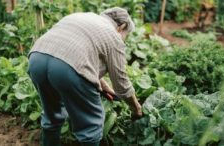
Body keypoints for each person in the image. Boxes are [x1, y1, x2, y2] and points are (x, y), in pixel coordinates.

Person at [27, 7, 142, 146]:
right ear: (121, 27)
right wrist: (136, 108)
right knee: (90, 127)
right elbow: (121, 84)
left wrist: (101, 83)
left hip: (37, 59)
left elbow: (74, 49)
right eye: (126, 35)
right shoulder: (113, 36)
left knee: (52, 116)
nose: (124, 39)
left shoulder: (81, 16)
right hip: (66, 70)